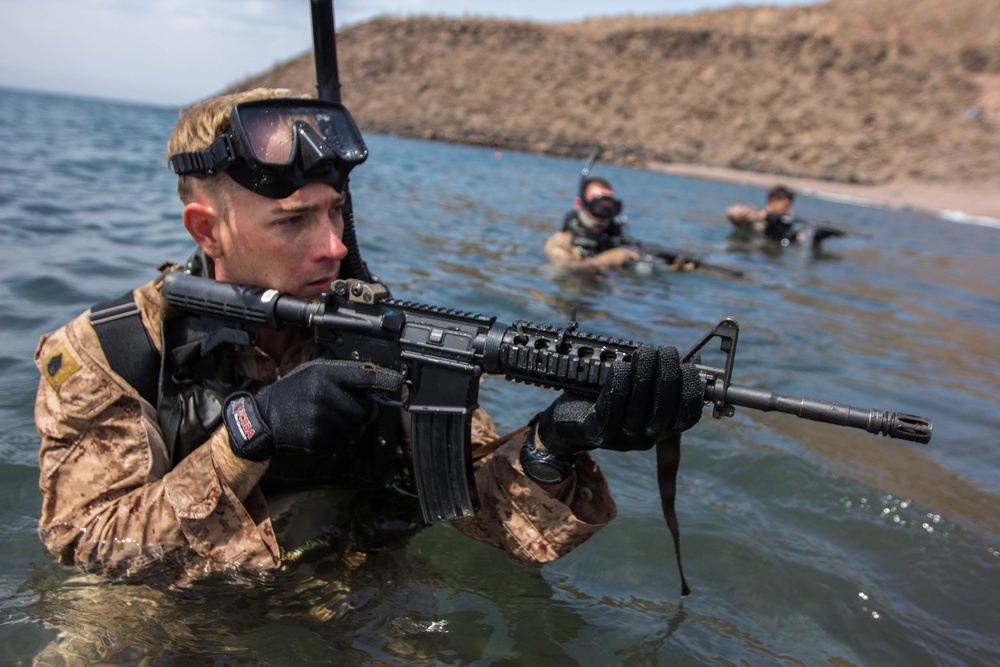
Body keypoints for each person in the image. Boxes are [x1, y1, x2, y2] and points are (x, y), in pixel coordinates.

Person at [33, 88, 704, 581]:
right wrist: (249, 436)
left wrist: (555, 441)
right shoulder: (112, 351)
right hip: (175, 624)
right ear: (207, 230)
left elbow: (481, 513)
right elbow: (89, 545)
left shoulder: (378, 334)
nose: (331, 246)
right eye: (293, 221)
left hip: (353, 601)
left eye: (336, 214)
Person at [545, 176, 695, 272]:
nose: (604, 214)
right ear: (580, 204)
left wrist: (667, 267)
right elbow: (563, 268)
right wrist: (607, 261)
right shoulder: (561, 241)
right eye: (598, 206)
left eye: (610, 208)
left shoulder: (613, 240)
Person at [727, 185, 843, 248]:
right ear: (773, 202)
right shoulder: (755, 219)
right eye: (786, 207)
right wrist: (766, 216)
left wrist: (816, 238)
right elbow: (733, 213)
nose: (789, 211)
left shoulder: (785, 225)